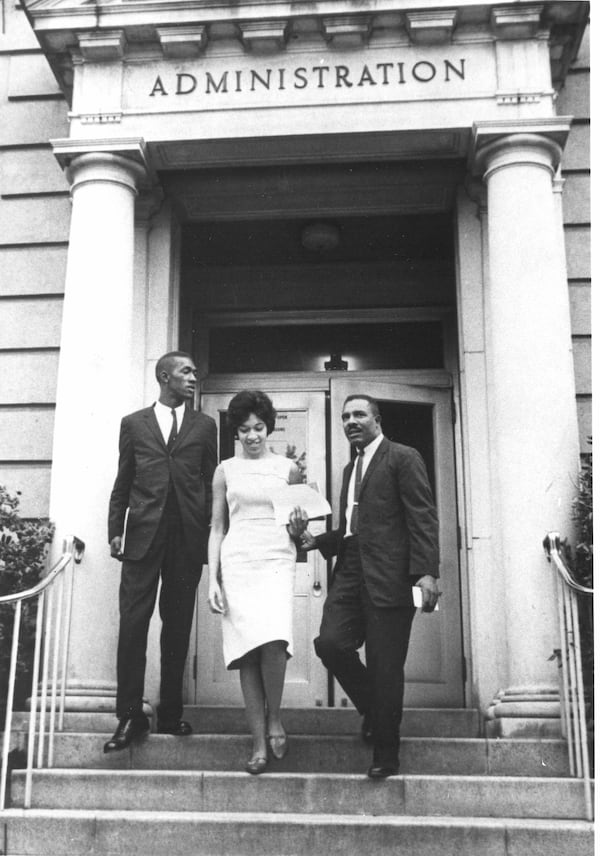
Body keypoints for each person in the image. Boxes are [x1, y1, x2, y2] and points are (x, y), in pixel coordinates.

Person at [302, 394, 440, 779]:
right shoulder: (351, 469)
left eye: (359, 414)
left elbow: (422, 517)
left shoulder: (403, 457)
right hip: (349, 572)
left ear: (377, 419)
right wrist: (319, 542)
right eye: (345, 416)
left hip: (391, 578)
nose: (350, 421)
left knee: (385, 667)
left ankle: (385, 753)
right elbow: (353, 531)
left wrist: (426, 572)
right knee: (329, 643)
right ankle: (376, 712)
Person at [105, 351, 217, 752]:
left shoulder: (205, 426)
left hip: (186, 539)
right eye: (186, 371)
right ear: (164, 376)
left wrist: (209, 535)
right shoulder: (134, 424)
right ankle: (130, 716)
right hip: (142, 537)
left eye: (193, 370)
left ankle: (170, 712)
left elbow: (209, 483)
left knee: (178, 625)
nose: (193, 376)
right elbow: (123, 481)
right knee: (134, 624)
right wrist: (115, 528)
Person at [207, 390, 307, 775]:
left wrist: (300, 528)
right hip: (238, 561)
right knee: (247, 650)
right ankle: (258, 741)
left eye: (259, 428)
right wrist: (213, 578)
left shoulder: (288, 468)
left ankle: (276, 717)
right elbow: (217, 527)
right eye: (245, 429)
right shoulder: (225, 470)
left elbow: (298, 523)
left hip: (276, 558)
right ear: (236, 431)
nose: (252, 436)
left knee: (275, 642)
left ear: (269, 428)